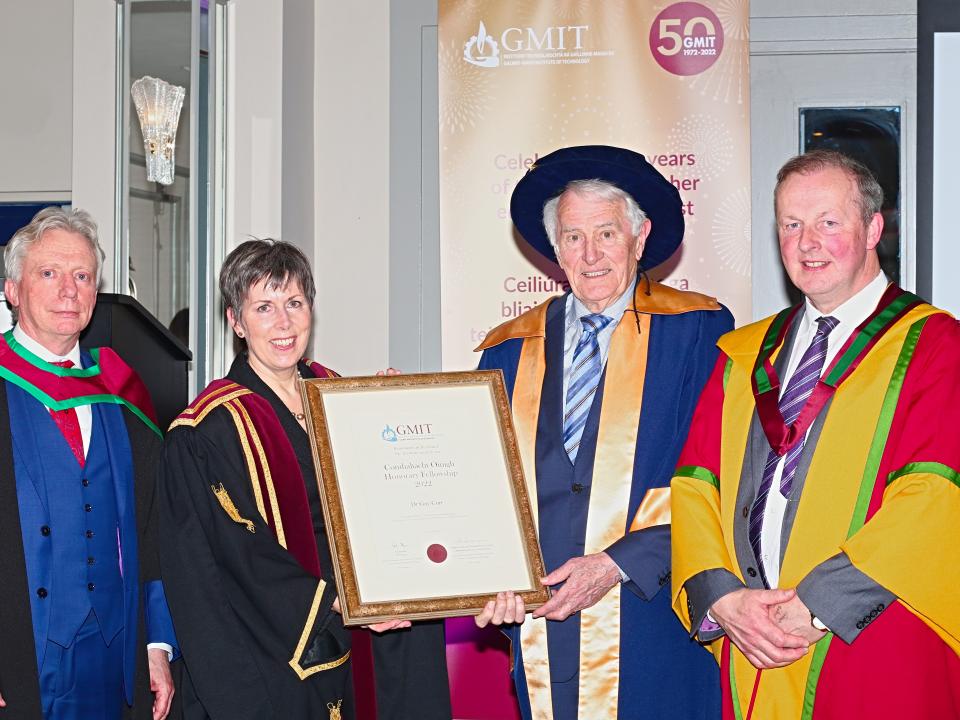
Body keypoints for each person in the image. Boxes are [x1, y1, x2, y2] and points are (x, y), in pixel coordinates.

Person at [672, 149, 960, 718]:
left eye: (829, 222)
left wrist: (817, 605)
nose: (808, 243)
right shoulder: (744, 355)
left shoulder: (936, 348)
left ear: (874, 228)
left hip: (872, 641)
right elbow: (694, 484)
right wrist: (723, 598)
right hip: (751, 643)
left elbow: (934, 496)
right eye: (791, 225)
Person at [474, 145, 733, 719]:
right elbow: (480, 484)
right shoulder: (510, 348)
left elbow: (713, 475)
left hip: (651, 613)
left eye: (607, 234)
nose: (589, 254)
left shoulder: (697, 332)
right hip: (541, 622)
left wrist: (617, 563)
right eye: (572, 237)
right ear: (554, 249)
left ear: (640, 237)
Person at [158, 239, 451, 720]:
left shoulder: (339, 395)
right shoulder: (209, 429)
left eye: (294, 303)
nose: (283, 322)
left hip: (375, 626)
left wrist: (393, 413)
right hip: (284, 641)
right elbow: (235, 553)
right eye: (264, 307)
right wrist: (336, 602)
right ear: (235, 320)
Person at [0, 207, 176, 719]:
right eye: (49, 274)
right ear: (13, 290)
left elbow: (154, 528)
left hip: (115, 656)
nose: (69, 290)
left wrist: (156, 647)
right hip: (20, 652)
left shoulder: (122, 392)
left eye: (82, 276)